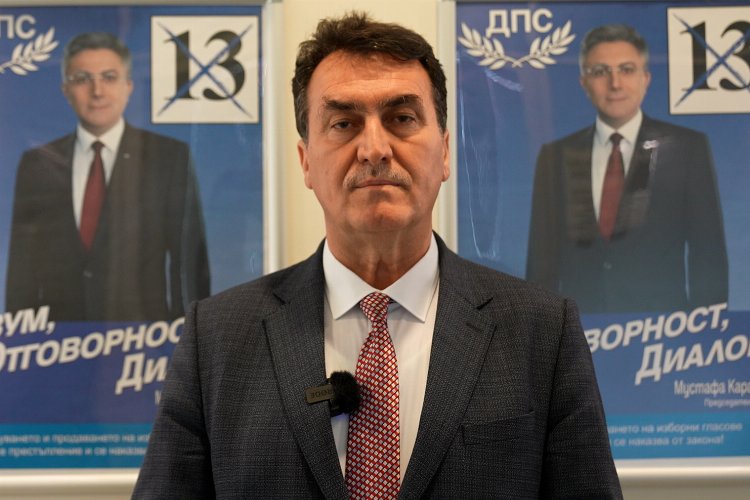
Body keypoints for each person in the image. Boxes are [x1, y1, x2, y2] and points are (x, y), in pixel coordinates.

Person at [134, 12, 621, 498]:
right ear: (306, 162)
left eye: (402, 119)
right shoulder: (216, 339)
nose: (374, 148)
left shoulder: (541, 332)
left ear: (444, 152)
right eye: (344, 123)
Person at [6, 32, 210, 321]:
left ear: (128, 86)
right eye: (82, 79)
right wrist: (20, 338)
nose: (97, 91)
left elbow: (189, 264)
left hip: (144, 339)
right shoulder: (37, 163)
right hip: (57, 340)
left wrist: (191, 339)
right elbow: (22, 269)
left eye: (109, 77)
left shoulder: (170, 158)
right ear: (66, 89)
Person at [527, 24, 728, 314]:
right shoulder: (554, 157)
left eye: (627, 69)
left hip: (663, 333)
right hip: (578, 332)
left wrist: (707, 331)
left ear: (646, 78)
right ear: (584, 82)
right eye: (600, 71)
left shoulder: (686, 148)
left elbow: (708, 255)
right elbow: (541, 265)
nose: (615, 83)